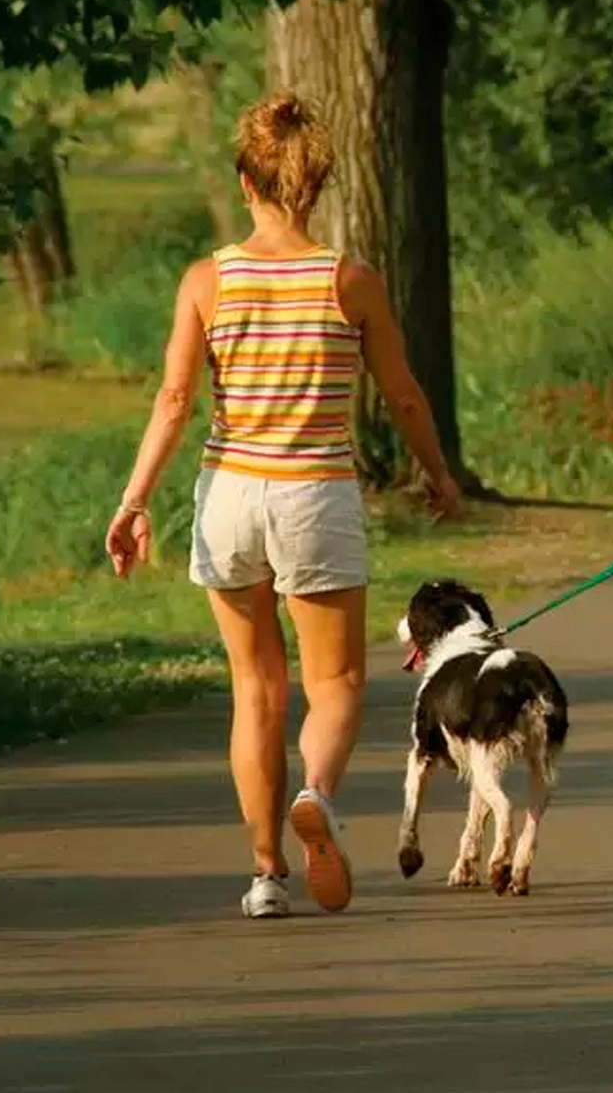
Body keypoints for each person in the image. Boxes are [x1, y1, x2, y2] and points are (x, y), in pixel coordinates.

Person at [104, 92, 462, 919]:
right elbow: (404, 397)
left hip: (228, 491)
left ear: (245, 181)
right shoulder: (351, 281)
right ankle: (321, 797)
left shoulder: (208, 280)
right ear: (318, 184)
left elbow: (171, 400)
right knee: (333, 681)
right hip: (315, 496)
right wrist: (438, 474)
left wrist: (134, 501)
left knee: (254, 688)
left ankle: (266, 874)